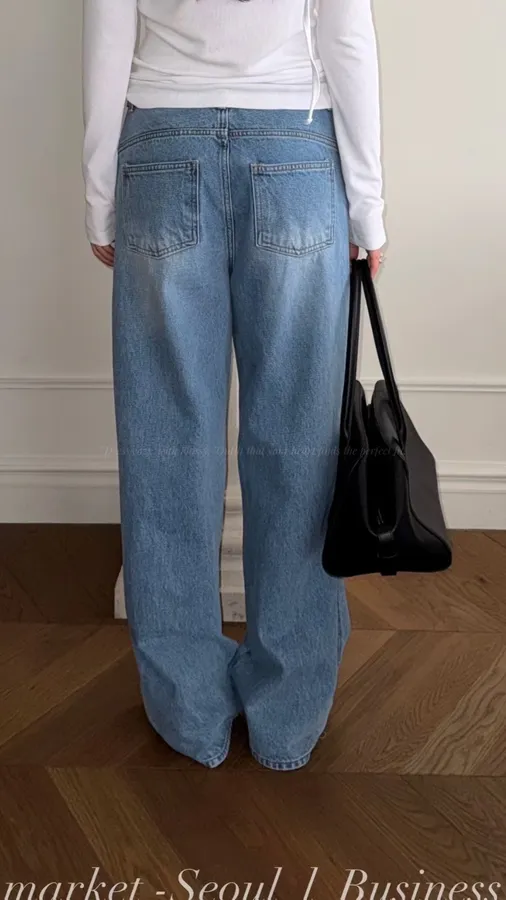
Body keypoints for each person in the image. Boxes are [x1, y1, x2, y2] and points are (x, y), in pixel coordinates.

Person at [82, 0, 386, 771]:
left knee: (166, 441)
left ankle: (189, 713)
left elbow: (108, 30)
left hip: (160, 145)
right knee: (298, 443)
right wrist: (368, 208)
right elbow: (346, 34)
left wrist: (99, 196)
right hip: (294, 147)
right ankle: (288, 718)